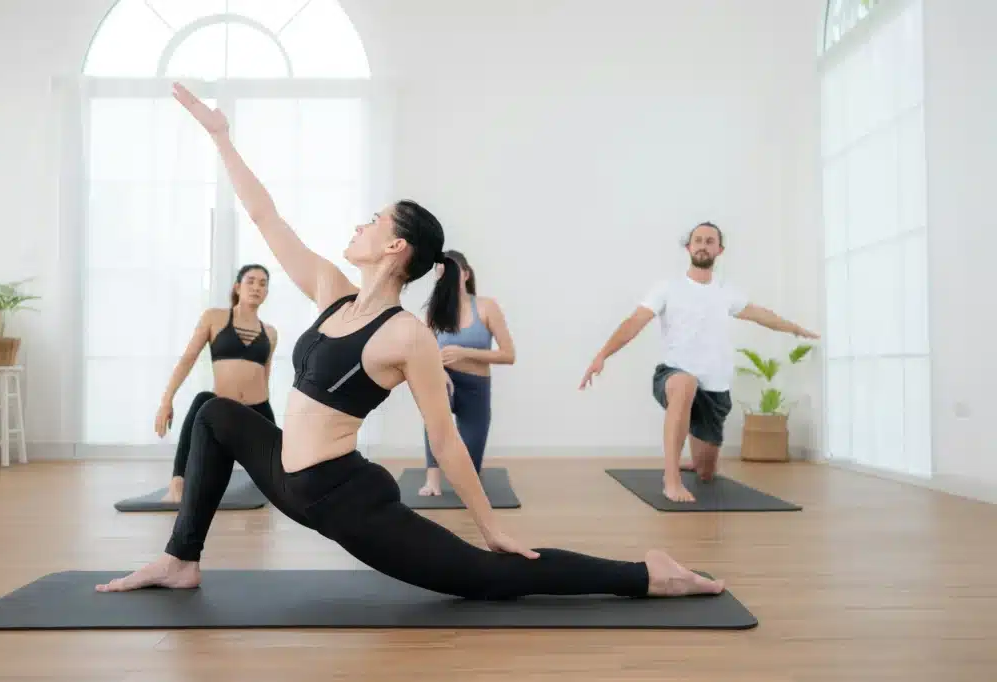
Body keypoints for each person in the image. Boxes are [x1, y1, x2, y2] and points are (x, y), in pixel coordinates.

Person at [95, 82, 725, 601]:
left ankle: (648, 575)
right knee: (212, 413)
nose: (359, 224)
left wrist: (489, 526)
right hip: (290, 480)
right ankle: (181, 560)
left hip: (344, 501)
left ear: (396, 246)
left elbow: (445, 438)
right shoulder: (332, 292)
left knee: (488, 578)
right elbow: (267, 216)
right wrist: (220, 137)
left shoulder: (407, 335)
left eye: (373, 221)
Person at [580, 222, 818, 503]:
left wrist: (795, 329)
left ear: (719, 249)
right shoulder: (668, 288)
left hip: (714, 389)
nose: (703, 245)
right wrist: (601, 356)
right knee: (685, 384)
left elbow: (761, 314)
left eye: (710, 241)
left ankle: (697, 461)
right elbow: (634, 323)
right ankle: (671, 480)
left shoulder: (726, 291)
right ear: (688, 247)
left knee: (707, 474)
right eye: (698, 240)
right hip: (674, 375)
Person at [154, 264, 278, 503]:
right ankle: (178, 481)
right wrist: (166, 401)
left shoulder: (270, 333)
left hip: (258, 410)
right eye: (251, 281)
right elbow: (187, 360)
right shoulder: (215, 317)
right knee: (203, 399)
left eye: (263, 284)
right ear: (237, 287)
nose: (256, 287)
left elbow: (265, 375)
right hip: (222, 408)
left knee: (282, 472)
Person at [419, 250, 515, 496]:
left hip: (476, 386)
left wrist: (464, 353)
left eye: (451, 271)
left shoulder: (486, 307)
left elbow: (508, 355)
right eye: (440, 273)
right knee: (435, 415)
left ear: (466, 274)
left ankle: (467, 474)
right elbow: (425, 354)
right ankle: (432, 481)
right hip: (444, 380)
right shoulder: (434, 311)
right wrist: (438, 371)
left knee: (471, 466)